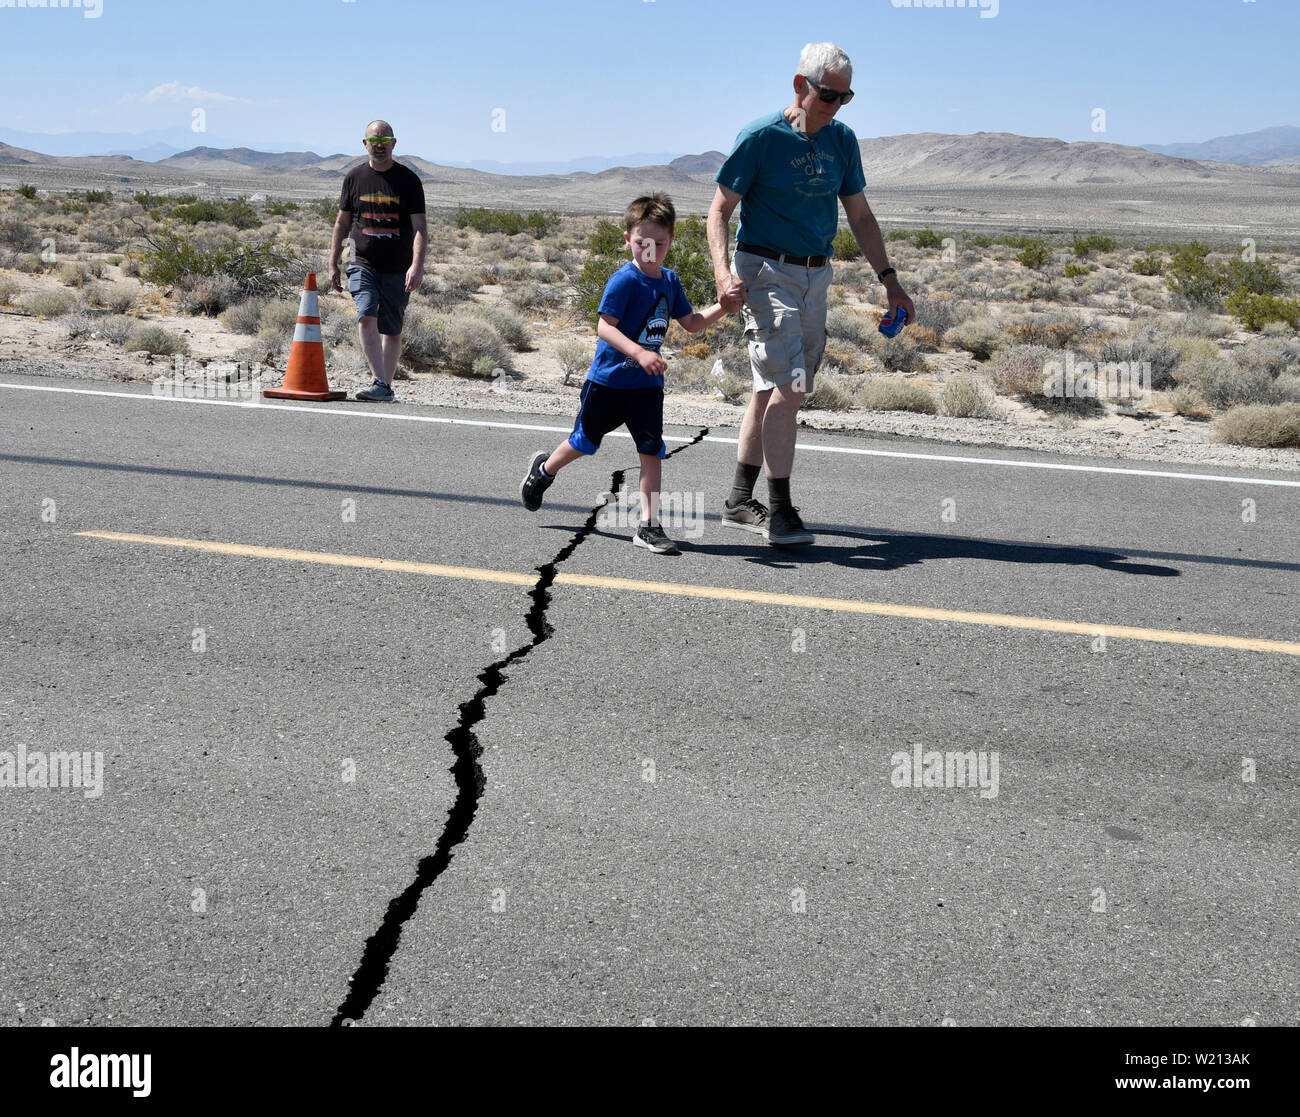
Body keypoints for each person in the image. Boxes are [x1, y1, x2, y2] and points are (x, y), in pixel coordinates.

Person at [707, 42, 915, 545]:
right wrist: (721, 274)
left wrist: (891, 281)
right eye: (828, 96)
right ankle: (780, 511)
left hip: (815, 276)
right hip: (764, 271)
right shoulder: (760, 138)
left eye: (846, 98)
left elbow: (860, 217)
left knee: (773, 388)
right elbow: (718, 210)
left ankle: (739, 500)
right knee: (791, 386)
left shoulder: (842, 141)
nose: (836, 106)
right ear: (800, 86)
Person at [520, 193, 740, 555]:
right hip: (608, 383)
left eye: (659, 243)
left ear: (671, 241)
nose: (650, 251)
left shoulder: (669, 281)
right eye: (642, 243)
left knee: (651, 451)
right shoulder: (623, 281)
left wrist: (723, 306)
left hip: (646, 388)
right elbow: (605, 328)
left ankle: (649, 526)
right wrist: (639, 351)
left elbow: (692, 323)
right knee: (584, 443)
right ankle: (544, 470)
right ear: (628, 241)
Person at [327, 119, 428, 403]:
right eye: (374, 142)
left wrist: (416, 265)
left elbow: (420, 227)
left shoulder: (408, 180)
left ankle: (384, 385)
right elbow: (342, 223)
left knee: (392, 329)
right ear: (365, 144)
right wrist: (333, 261)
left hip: (398, 266)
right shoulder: (354, 177)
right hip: (361, 262)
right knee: (366, 315)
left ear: (394, 144)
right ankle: (380, 382)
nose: (379, 147)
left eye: (385, 142)